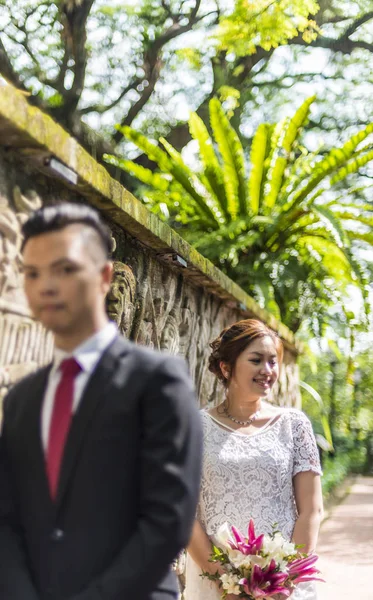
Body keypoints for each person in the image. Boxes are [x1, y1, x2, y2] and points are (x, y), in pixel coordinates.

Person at [0, 202, 203, 600]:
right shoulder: (22, 398)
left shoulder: (159, 381)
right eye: (33, 273)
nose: (47, 286)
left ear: (105, 276)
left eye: (65, 269)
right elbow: (7, 519)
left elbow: (167, 522)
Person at [184, 319, 323, 600]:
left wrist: (285, 581)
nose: (268, 371)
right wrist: (226, 583)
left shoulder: (294, 425)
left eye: (273, 362)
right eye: (257, 360)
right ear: (226, 367)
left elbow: (312, 510)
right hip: (215, 584)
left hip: (284, 585)